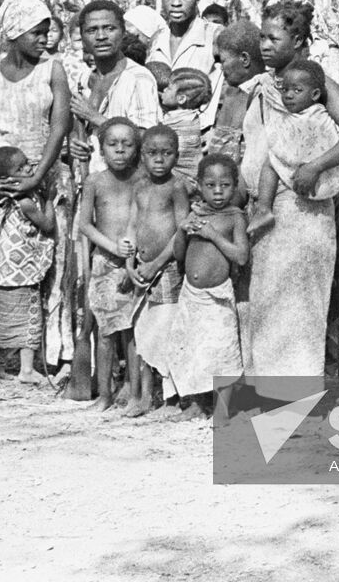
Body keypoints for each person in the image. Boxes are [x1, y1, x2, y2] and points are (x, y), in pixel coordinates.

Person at [241, 1, 339, 402]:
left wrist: (315, 166)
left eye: (274, 38)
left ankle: (296, 398)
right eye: (261, 37)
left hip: (305, 207)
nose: (264, 45)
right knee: (267, 299)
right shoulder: (262, 84)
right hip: (266, 206)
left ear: (298, 41)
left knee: (300, 303)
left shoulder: (319, 83)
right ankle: (268, 394)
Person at [0, 0, 72, 371]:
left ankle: (48, 352)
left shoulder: (53, 70)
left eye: (47, 32)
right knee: (2, 262)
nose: (44, 39)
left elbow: (59, 126)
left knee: (50, 262)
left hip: (44, 176)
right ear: (14, 34)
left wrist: (36, 176)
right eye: (36, 32)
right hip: (1, 179)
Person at [156, 154, 248, 422]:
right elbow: (180, 254)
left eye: (225, 185)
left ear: (235, 185)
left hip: (217, 298)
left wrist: (213, 235)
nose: (218, 192)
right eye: (210, 185)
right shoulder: (196, 214)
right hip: (191, 296)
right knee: (192, 348)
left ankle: (225, 409)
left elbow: (241, 256)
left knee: (222, 351)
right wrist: (183, 231)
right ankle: (196, 404)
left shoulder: (235, 217)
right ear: (199, 185)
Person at [77, 117, 142, 411]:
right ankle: (104, 393)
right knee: (105, 331)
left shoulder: (142, 180)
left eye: (127, 145)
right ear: (101, 149)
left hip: (136, 263)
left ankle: (133, 390)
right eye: (112, 145)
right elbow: (85, 225)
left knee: (133, 332)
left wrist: (131, 247)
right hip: (105, 262)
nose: (120, 151)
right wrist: (112, 246)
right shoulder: (95, 182)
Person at [126, 124, 190, 417]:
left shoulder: (176, 188)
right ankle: (145, 396)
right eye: (152, 153)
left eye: (167, 153)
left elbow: (181, 231)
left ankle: (173, 400)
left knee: (166, 331)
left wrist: (156, 263)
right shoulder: (139, 186)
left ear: (177, 156)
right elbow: (133, 225)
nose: (159, 159)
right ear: (142, 155)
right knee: (144, 331)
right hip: (141, 267)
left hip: (167, 269)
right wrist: (130, 261)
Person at [0, 145, 54, 383]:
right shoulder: (25, 202)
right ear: (6, 177)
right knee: (29, 317)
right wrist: (50, 199)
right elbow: (48, 225)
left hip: (0, 267)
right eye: (21, 167)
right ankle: (27, 369)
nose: (29, 168)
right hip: (23, 269)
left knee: (0, 317)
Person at [248, 58, 339, 236]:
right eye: (285, 90)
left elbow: (317, 143)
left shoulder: (315, 116)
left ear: (314, 95)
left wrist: (308, 164)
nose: (289, 95)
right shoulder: (297, 113)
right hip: (306, 184)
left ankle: (263, 210)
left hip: (313, 182)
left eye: (297, 90)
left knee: (270, 162)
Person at [70, 0, 162, 173]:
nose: (101, 36)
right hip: (92, 183)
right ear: (82, 37)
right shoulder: (84, 78)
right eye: (92, 30)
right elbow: (78, 130)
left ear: (123, 33)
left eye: (109, 28)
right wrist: (74, 142)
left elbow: (148, 140)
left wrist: (94, 117)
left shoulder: (138, 78)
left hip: (128, 185)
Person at [147, 0, 224, 128]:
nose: (176, 3)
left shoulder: (214, 35)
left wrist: (219, 130)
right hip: (162, 135)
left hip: (202, 131)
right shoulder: (156, 39)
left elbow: (235, 89)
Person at [207, 20, 267, 177]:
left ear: (245, 59)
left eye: (223, 60)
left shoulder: (262, 95)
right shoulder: (232, 93)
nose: (220, 68)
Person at [159, 66, 211, 185]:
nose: (165, 90)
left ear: (181, 99)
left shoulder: (178, 122)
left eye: (169, 88)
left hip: (184, 181)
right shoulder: (192, 118)